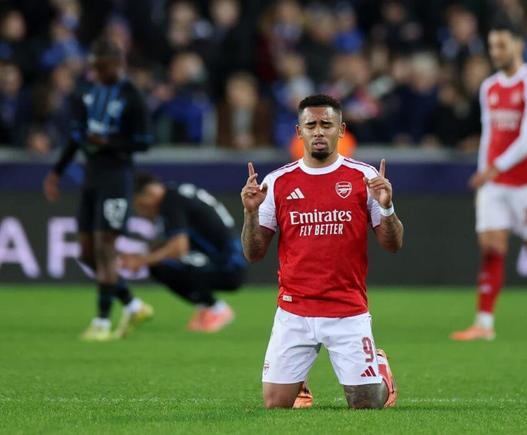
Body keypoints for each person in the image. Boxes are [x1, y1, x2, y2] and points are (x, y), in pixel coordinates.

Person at [241, 94, 403, 409]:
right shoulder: (277, 182)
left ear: (341, 130)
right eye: (311, 125)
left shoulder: (364, 177)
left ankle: (380, 367)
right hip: (294, 310)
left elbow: (392, 244)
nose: (318, 131)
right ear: (298, 131)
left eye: (326, 124)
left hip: (347, 309)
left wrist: (387, 207)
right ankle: (297, 382)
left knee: (367, 404)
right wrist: (250, 213)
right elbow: (253, 253)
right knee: (275, 405)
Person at [450, 20, 527, 342]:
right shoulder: (489, 87)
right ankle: (484, 323)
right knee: (491, 248)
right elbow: (489, 135)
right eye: (492, 46)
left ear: (519, 45)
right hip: (494, 184)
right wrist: (485, 174)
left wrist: (493, 168)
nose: (496, 52)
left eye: (502, 45)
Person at [43, 39, 153, 341]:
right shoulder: (86, 92)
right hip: (91, 178)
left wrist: (109, 143)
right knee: (86, 252)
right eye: (94, 67)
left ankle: (102, 322)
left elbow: (144, 142)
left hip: (117, 177)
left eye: (101, 67)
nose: (96, 73)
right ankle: (133, 305)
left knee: (105, 247)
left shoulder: (132, 97)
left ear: (117, 64)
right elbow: (76, 136)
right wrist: (57, 171)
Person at [119, 173, 246, 333]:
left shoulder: (170, 202)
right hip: (230, 261)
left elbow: (178, 249)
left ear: (150, 193)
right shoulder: (176, 194)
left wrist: (140, 261)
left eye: (140, 205)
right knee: (160, 259)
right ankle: (206, 307)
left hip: (228, 267)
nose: (141, 212)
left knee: (162, 266)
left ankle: (217, 309)